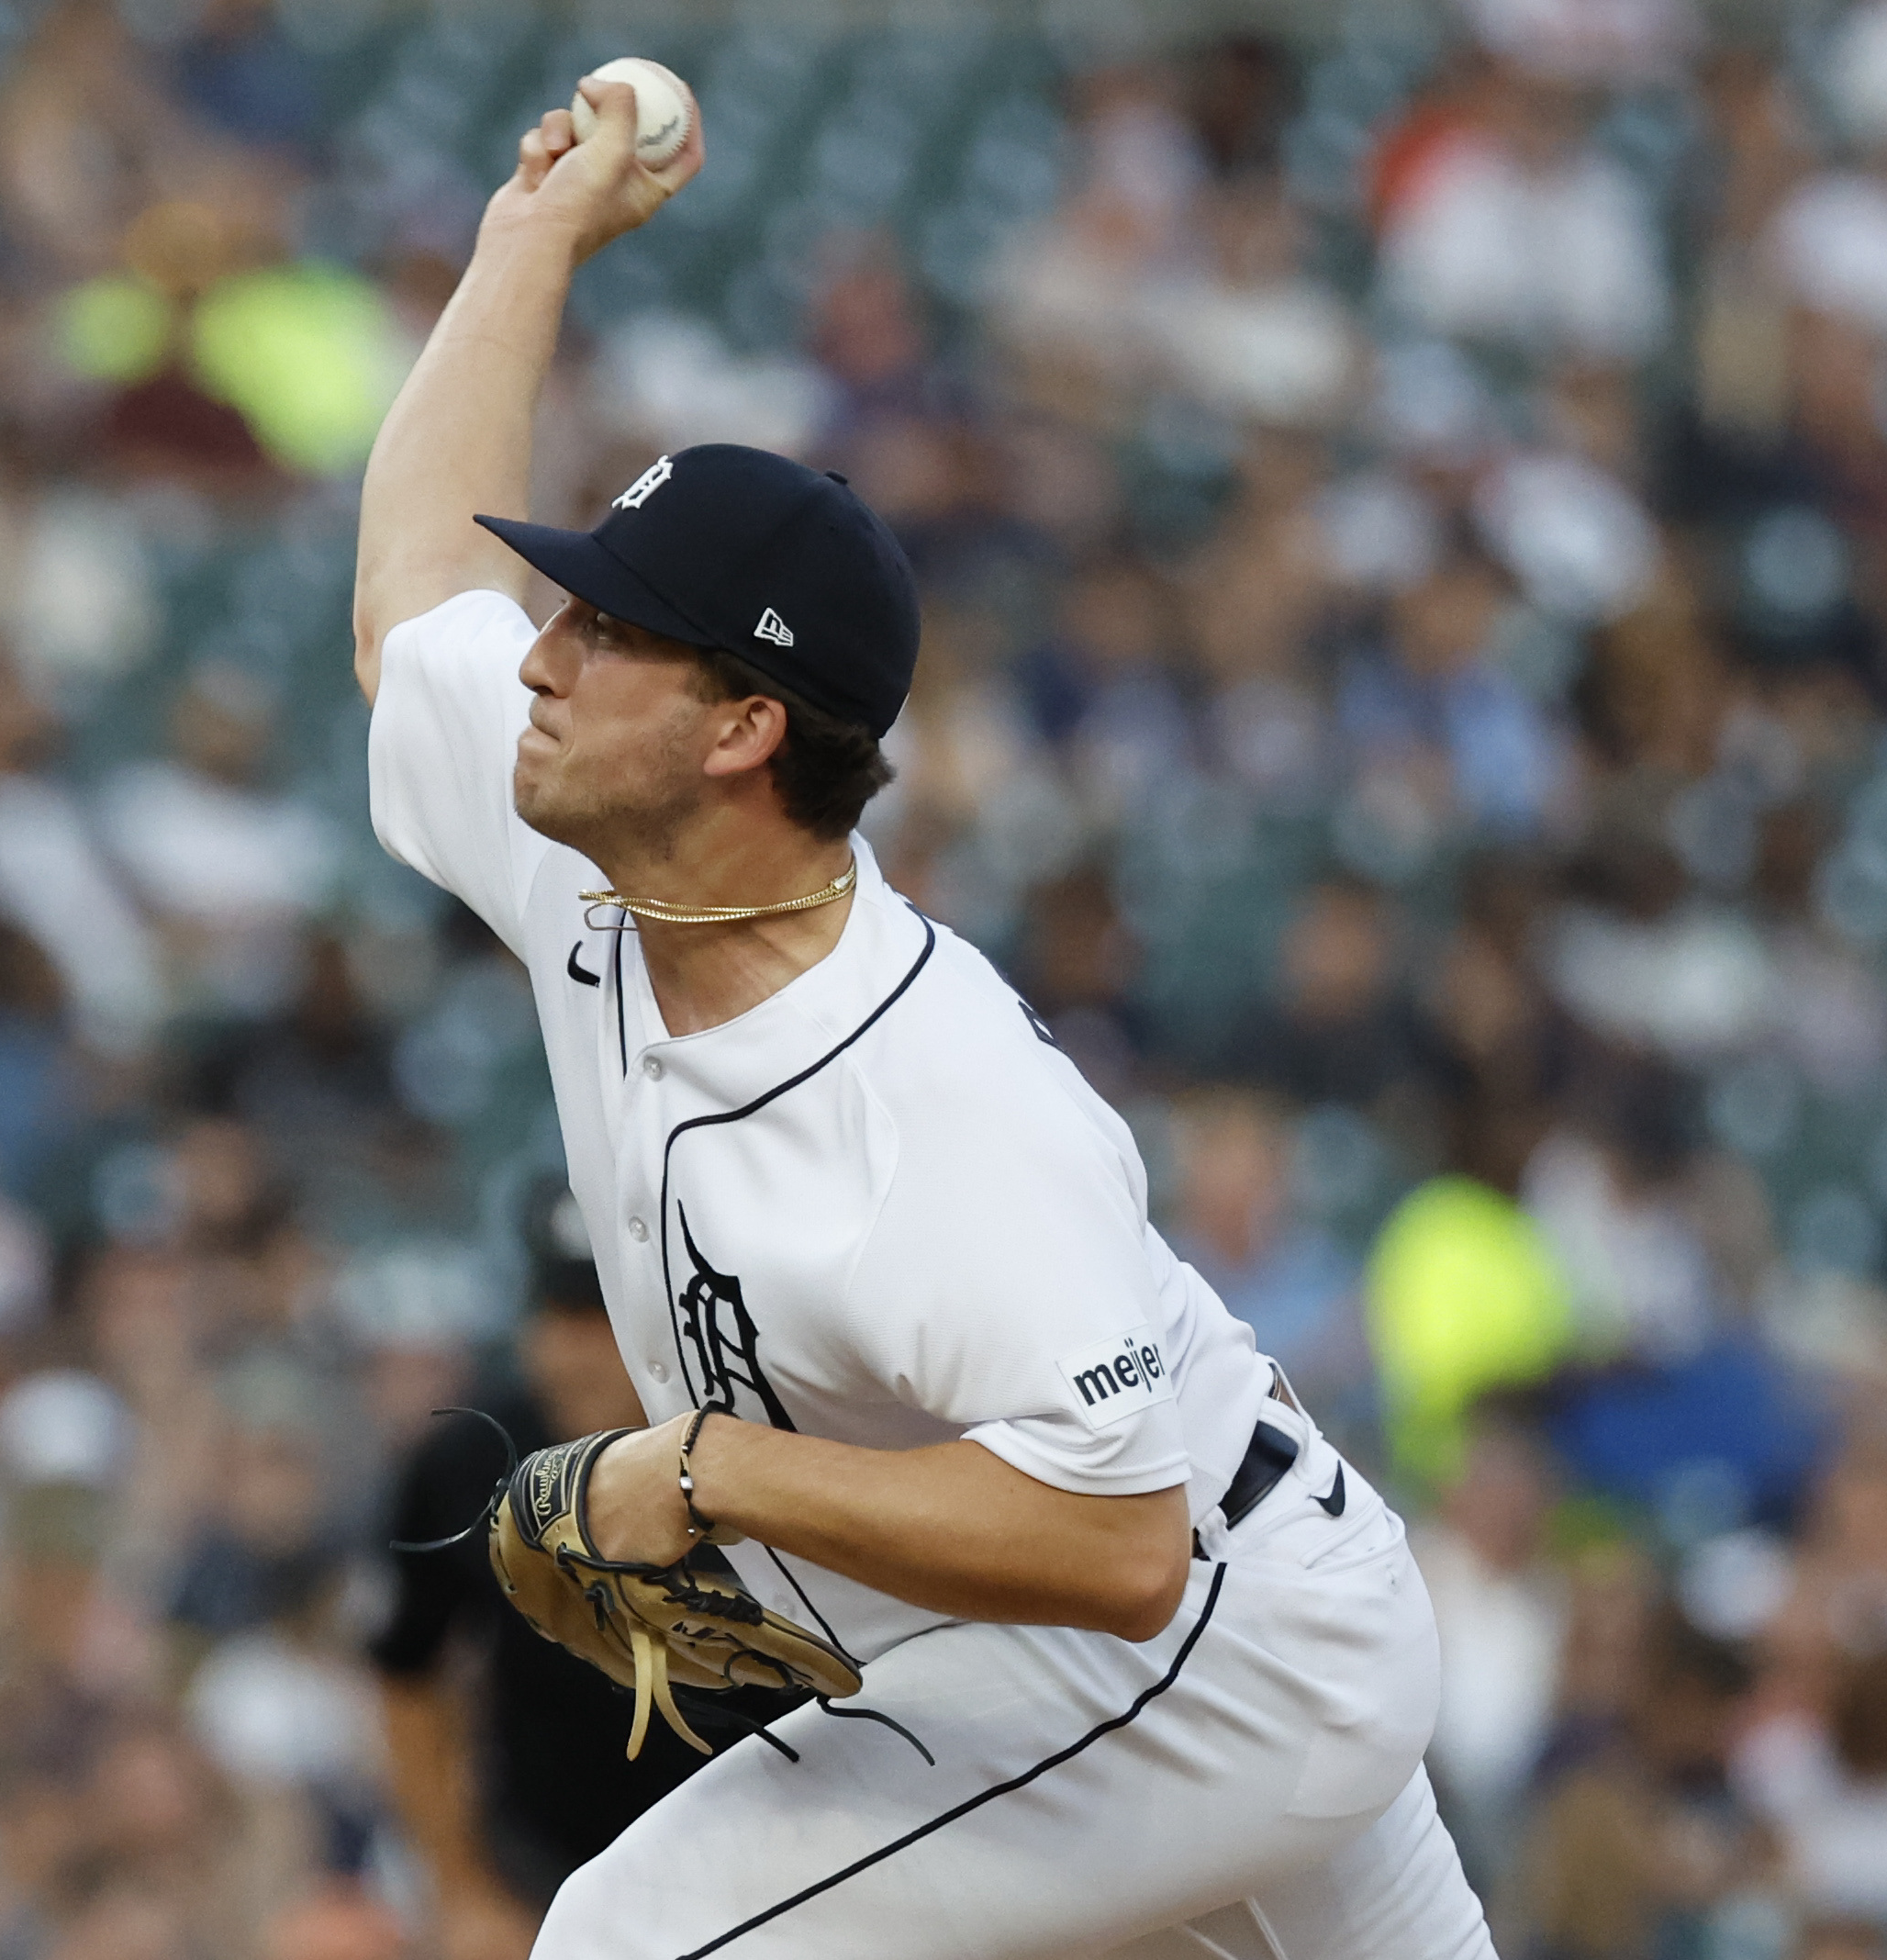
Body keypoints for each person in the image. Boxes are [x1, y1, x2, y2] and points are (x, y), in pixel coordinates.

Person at [349, 74, 1496, 1959]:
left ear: (740, 729)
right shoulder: (598, 860)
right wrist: (525, 243)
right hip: (1166, 1627)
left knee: (629, 1939)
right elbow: (411, 602)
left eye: (604, 629)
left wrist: (701, 1470)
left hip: (1213, 1645)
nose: (538, 655)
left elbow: (1114, 1547)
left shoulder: (931, 1096)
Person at [372, 1184, 792, 1957]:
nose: (570, 1352)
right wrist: (460, 1887)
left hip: (776, 1871)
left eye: (602, 1324)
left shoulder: (772, 1457)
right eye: (555, 1318)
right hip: (545, 1875)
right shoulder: (467, 1460)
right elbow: (405, 1671)